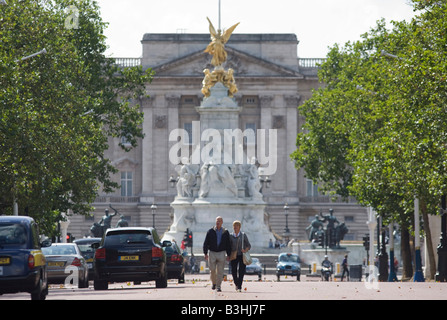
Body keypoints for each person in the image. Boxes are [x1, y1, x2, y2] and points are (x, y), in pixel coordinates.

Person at [203, 216, 231, 292]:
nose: (218, 222)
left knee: (220, 271)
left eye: (219, 221)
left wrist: (229, 254)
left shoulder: (225, 232)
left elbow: (228, 244)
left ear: (222, 222)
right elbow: (205, 243)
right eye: (217, 220)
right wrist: (205, 253)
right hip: (212, 252)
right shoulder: (210, 231)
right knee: (212, 270)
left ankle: (218, 286)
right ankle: (214, 283)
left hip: (221, 253)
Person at [229, 220, 251, 292]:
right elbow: (228, 246)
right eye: (234, 226)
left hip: (242, 255)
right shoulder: (230, 236)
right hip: (233, 255)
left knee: (241, 271)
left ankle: (239, 286)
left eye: (237, 226)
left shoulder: (243, 235)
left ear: (239, 227)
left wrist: (245, 250)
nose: (235, 227)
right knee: (233, 271)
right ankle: (236, 283)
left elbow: (248, 245)